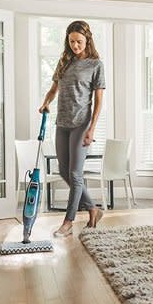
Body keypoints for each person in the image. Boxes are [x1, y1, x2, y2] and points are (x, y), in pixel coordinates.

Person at [38, 20, 104, 237]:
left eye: (79, 41)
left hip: (81, 123)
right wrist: (46, 102)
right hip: (62, 123)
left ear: (87, 40)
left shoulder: (95, 64)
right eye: (72, 41)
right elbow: (54, 88)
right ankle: (93, 208)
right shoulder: (64, 61)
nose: (75, 45)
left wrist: (92, 129)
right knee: (64, 171)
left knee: (75, 174)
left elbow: (98, 101)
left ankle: (68, 222)